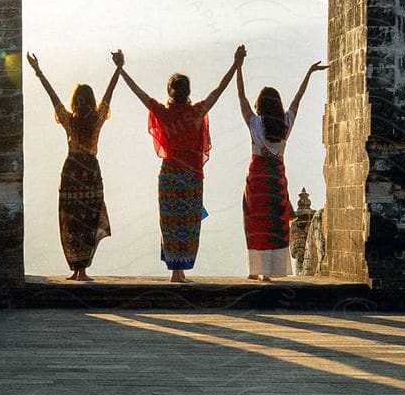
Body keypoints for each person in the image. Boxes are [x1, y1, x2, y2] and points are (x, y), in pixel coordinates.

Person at [116, 46, 244, 283]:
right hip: (191, 176)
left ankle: (177, 271)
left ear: (170, 92)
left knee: (171, 221)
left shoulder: (163, 113)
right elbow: (218, 90)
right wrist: (236, 64)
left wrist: (121, 70)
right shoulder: (196, 112)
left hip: (169, 175)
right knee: (188, 221)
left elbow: (139, 93)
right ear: (188, 92)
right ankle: (179, 272)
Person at [26, 50, 122, 281]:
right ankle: (80, 269)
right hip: (84, 172)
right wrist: (118, 69)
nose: (80, 103)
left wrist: (39, 72)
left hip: (77, 171)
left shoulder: (77, 120)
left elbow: (56, 98)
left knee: (79, 220)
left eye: (81, 100)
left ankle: (81, 269)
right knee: (78, 220)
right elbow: (55, 97)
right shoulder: (87, 120)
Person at [234, 58, 325, 281]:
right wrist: (309, 73)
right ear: (277, 105)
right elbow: (298, 99)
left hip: (256, 181)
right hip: (276, 180)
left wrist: (238, 68)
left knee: (256, 223)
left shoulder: (255, 125)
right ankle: (270, 272)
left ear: (260, 105)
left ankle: (256, 270)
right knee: (275, 224)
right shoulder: (285, 125)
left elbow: (242, 98)